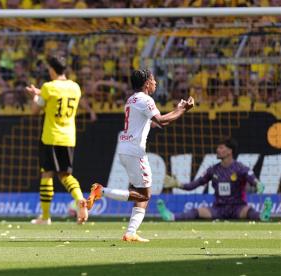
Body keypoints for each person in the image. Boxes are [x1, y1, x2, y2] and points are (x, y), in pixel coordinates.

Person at [86, 69, 194, 242]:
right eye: (153, 80)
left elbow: (147, 123)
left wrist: (174, 112)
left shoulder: (131, 100)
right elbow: (162, 120)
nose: (155, 83)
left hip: (126, 149)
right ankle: (101, 191)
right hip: (135, 152)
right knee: (144, 195)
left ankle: (130, 233)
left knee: (142, 193)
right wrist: (183, 109)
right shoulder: (145, 100)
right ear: (146, 83)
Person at [25, 55, 95, 225]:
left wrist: (35, 97)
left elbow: (35, 110)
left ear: (51, 69)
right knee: (66, 175)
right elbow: (59, 95)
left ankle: (46, 217)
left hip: (50, 137)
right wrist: (40, 93)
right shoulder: (75, 87)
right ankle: (80, 199)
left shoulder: (48, 87)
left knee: (47, 174)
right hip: (69, 138)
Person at [156, 138, 273, 222]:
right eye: (218, 147)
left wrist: (258, 184)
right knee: (196, 211)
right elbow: (194, 184)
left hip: (238, 207)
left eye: (221, 147)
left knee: (250, 212)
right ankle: (172, 217)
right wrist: (178, 184)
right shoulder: (212, 170)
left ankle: (263, 216)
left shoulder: (240, 168)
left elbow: (252, 179)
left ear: (229, 151)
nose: (217, 150)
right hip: (218, 209)